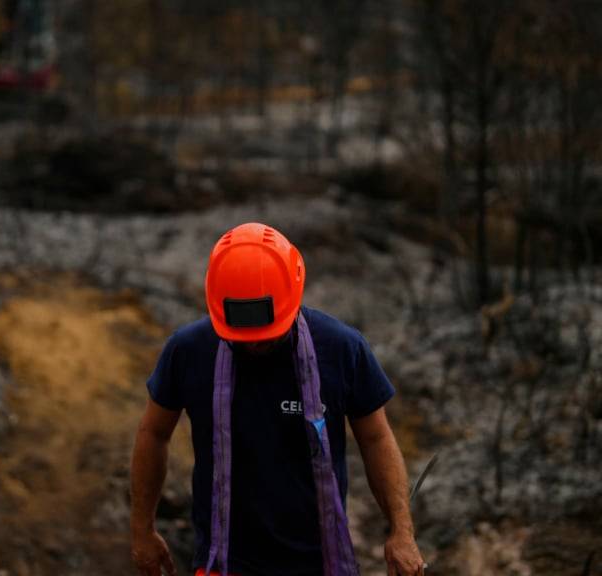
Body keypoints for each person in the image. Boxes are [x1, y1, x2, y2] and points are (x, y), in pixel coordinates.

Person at [130, 222, 425, 576]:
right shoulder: (189, 351)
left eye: (266, 336)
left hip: (320, 563)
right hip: (225, 563)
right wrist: (142, 530)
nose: (254, 343)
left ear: (293, 295)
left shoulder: (341, 348)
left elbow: (376, 438)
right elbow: (153, 434)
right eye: (243, 336)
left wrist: (401, 532)